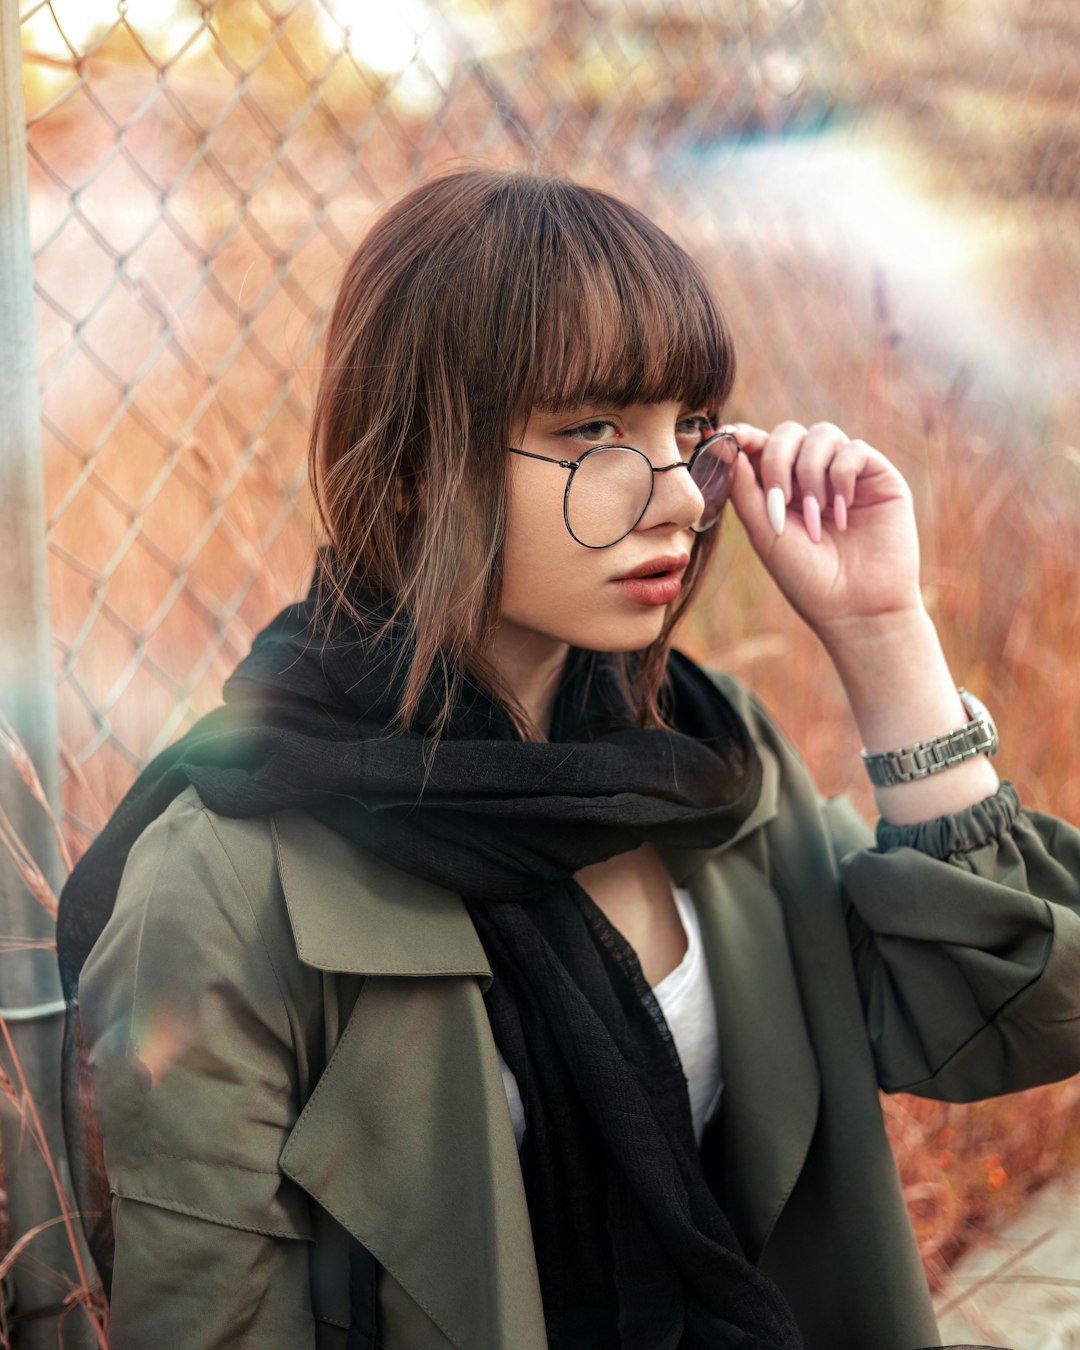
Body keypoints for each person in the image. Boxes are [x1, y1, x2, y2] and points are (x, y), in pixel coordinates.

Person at [56, 167, 1080, 1350]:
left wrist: (883, 636)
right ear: (412, 465)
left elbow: (1020, 1013)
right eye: (592, 433)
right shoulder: (234, 875)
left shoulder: (704, 764)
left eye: (687, 431)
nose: (678, 504)